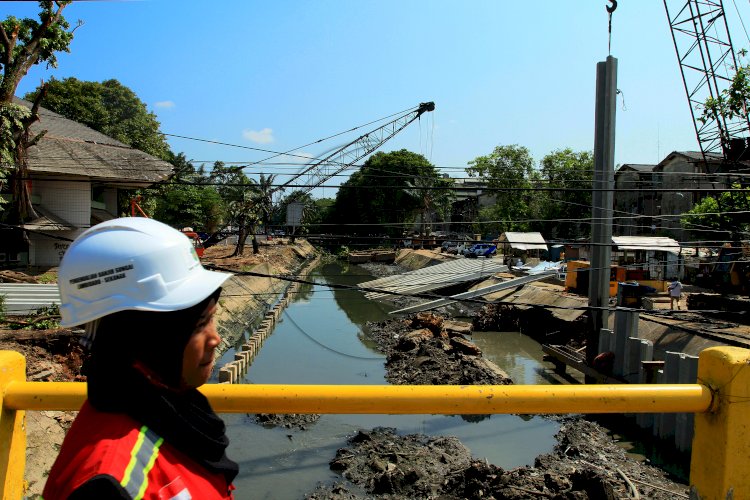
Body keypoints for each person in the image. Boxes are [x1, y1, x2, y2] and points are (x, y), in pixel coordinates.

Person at [43, 217, 238, 499]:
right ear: (148, 339)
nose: (215, 338)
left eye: (212, 319)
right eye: (199, 325)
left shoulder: (168, 410)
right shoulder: (109, 485)